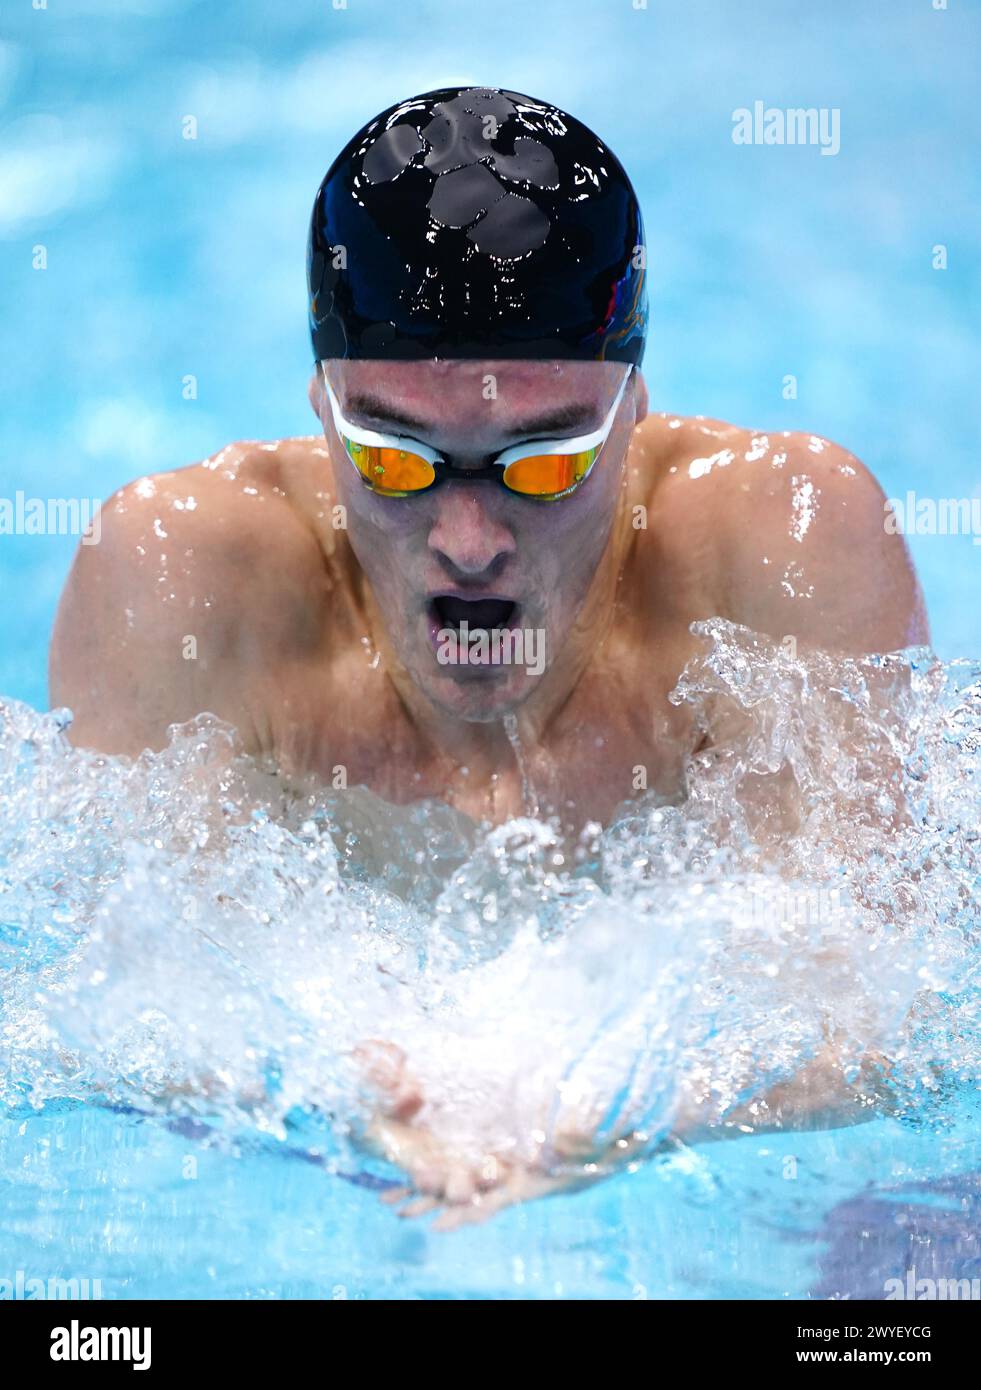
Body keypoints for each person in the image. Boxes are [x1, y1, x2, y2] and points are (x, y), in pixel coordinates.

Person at [49, 88, 927, 1222]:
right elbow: (130, 1009)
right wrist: (329, 1095)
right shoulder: (180, 581)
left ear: (634, 412)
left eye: (544, 462)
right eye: (398, 461)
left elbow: (862, 1015)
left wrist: (640, 1114)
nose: (468, 544)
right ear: (321, 410)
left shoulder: (789, 546)